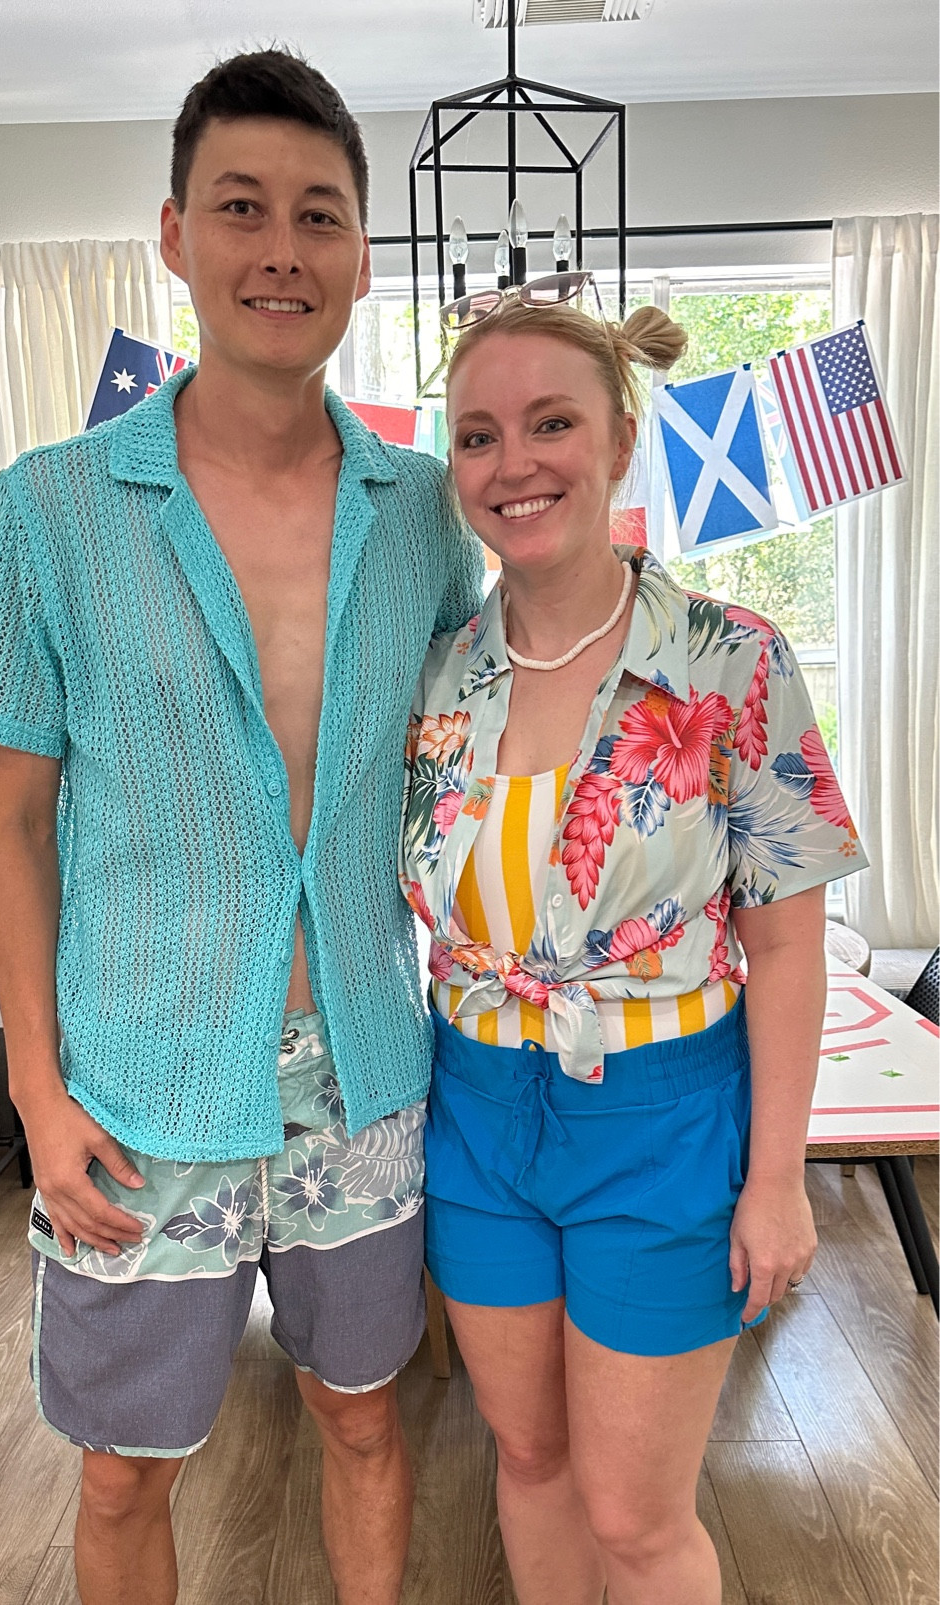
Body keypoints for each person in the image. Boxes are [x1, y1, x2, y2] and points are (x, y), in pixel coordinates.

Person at [0, 50, 482, 1605]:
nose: (280, 249)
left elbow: (470, 757)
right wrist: (33, 1090)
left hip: (361, 1074)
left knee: (364, 1416)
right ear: (174, 234)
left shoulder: (425, 510)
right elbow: (13, 813)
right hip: (137, 1082)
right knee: (124, 1468)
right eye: (241, 208)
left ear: (362, 255)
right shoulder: (53, 509)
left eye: (319, 215)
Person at [400, 292, 866, 1605]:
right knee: (530, 1454)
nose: (514, 461)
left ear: (617, 439)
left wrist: (774, 1177)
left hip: (664, 1118)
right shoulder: (435, 672)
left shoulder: (730, 662)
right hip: (476, 1108)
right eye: (479, 435)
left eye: (551, 422)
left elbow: (784, 949)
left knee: (632, 1511)